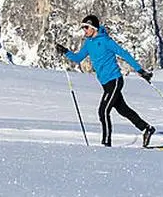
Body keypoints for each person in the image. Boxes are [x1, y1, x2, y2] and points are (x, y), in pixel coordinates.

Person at [57, 14, 156, 148]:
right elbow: (78, 58)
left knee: (103, 111)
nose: (84, 30)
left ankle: (106, 143)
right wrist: (65, 51)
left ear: (94, 28)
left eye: (86, 27)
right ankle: (147, 128)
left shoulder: (106, 41)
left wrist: (140, 70)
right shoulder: (88, 43)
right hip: (105, 83)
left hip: (115, 80)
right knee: (123, 110)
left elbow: (124, 54)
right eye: (83, 28)